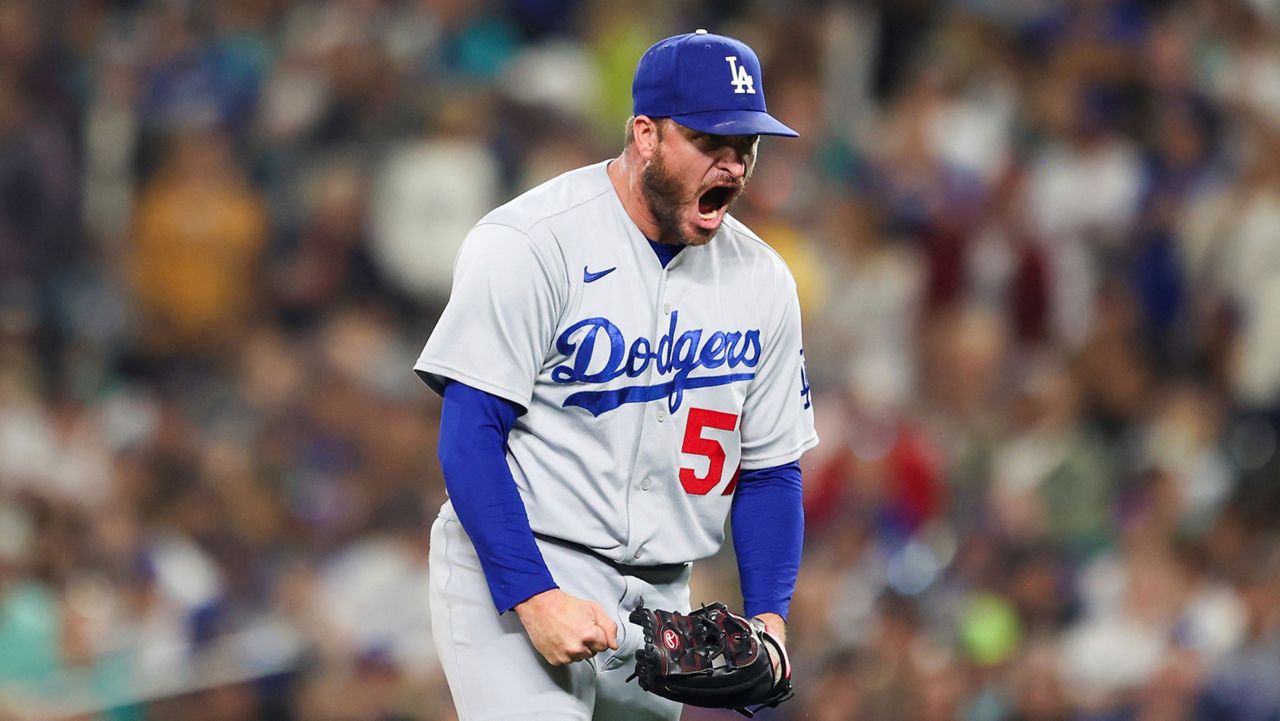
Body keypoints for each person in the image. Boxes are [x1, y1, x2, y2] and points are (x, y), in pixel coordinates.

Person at [413, 29, 818, 720]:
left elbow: (771, 470)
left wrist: (771, 622)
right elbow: (469, 436)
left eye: (744, 146)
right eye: (709, 143)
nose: (733, 165)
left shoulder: (763, 281)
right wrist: (533, 596)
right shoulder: (533, 243)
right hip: (522, 560)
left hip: (663, 607)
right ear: (645, 136)